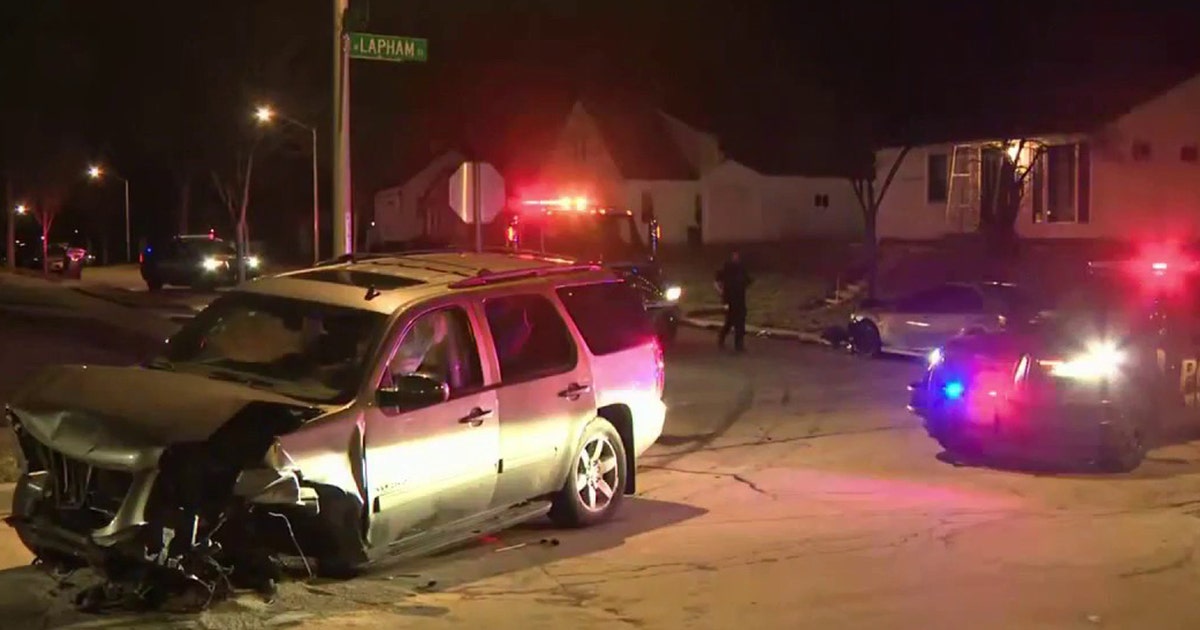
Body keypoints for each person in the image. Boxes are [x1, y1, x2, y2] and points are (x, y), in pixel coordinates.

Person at [714, 251, 752, 352]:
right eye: (734, 256)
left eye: (737, 256)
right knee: (729, 321)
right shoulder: (727, 268)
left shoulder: (741, 269)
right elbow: (717, 280)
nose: (736, 258)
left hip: (740, 299)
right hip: (729, 299)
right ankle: (721, 339)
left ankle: (739, 345)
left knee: (740, 323)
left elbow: (748, 281)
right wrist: (721, 291)